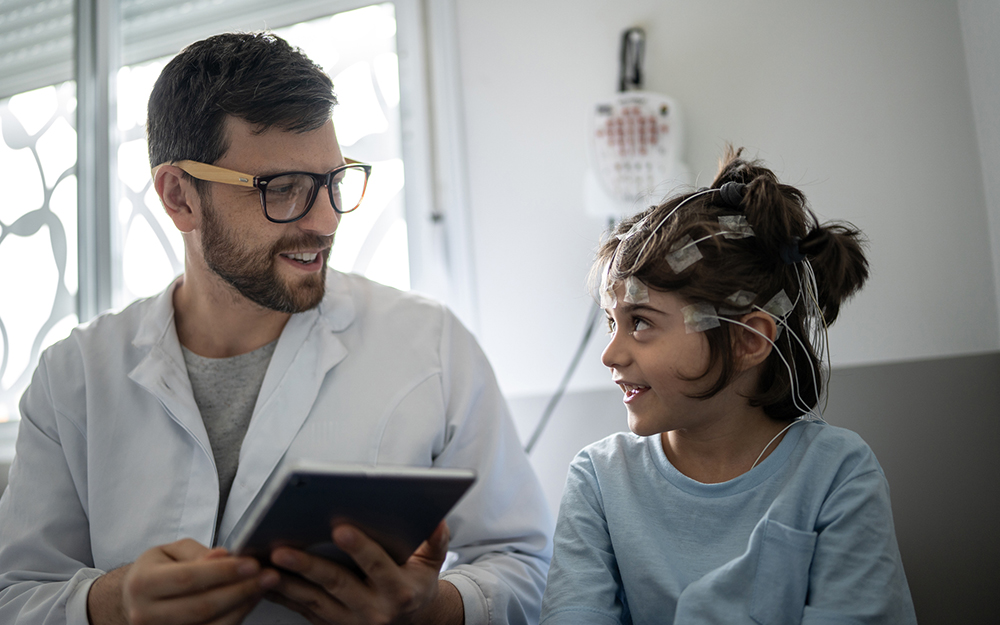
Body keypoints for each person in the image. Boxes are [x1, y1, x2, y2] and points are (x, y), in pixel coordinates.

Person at [0, 32, 552, 625]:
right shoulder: (73, 377)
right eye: (282, 189)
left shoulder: (429, 346)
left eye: (334, 182)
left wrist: (433, 608)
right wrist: (110, 603)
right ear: (179, 197)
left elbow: (528, 563)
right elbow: (17, 592)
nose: (325, 220)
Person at [539, 147, 917, 624]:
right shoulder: (599, 479)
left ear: (747, 340)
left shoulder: (836, 474)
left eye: (640, 323)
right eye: (611, 323)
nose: (609, 355)